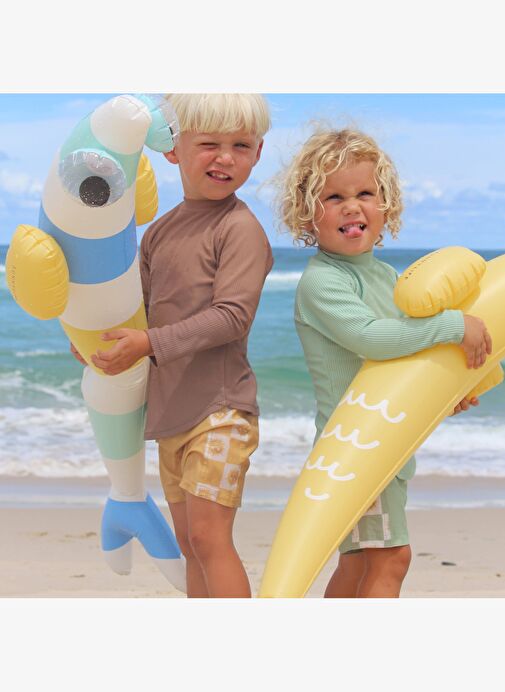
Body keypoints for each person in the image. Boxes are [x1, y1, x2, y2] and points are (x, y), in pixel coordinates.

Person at [274, 127, 491, 598]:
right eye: (334, 197)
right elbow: (371, 339)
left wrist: (444, 394)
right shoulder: (322, 282)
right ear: (307, 214)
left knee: (357, 564)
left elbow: (403, 359)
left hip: (383, 443)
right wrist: (454, 325)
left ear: (386, 206)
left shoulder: (386, 276)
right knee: (390, 558)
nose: (352, 207)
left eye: (365, 194)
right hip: (356, 447)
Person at [85, 94, 273, 597]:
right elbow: (139, 313)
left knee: (210, 538)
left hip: (221, 411)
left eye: (241, 146)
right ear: (173, 150)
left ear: (258, 152)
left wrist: (147, 342)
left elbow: (232, 317)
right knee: (190, 543)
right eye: (209, 144)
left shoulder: (239, 229)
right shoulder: (159, 233)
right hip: (172, 417)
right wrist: (98, 343)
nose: (225, 157)